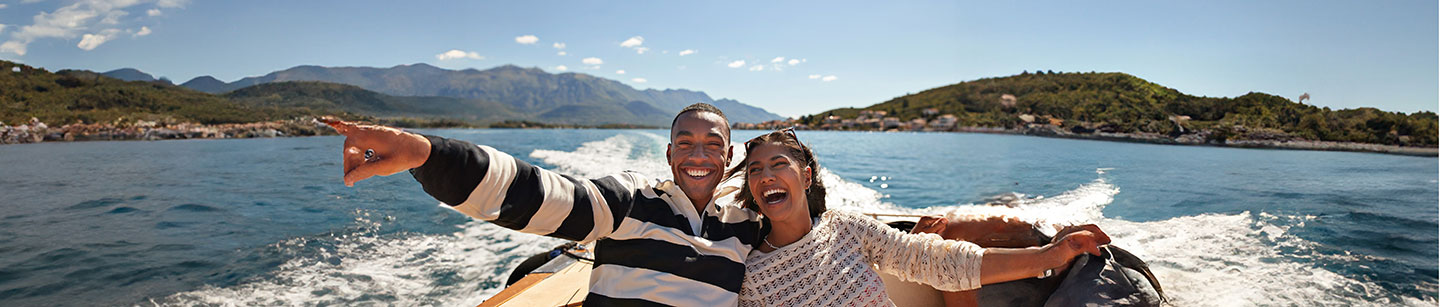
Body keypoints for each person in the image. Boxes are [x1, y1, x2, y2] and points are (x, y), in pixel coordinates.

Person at [322, 103, 764, 306]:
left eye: (712, 146)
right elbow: (542, 195)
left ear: (728, 158)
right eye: (684, 143)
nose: (698, 156)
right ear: (669, 155)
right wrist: (425, 154)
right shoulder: (632, 200)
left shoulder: (746, 225)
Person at [730, 128, 1112, 307]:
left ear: (806, 176)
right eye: (755, 170)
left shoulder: (844, 227)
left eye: (778, 165)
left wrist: (1049, 256)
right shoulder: (755, 276)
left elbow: (938, 260)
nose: (766, 177)